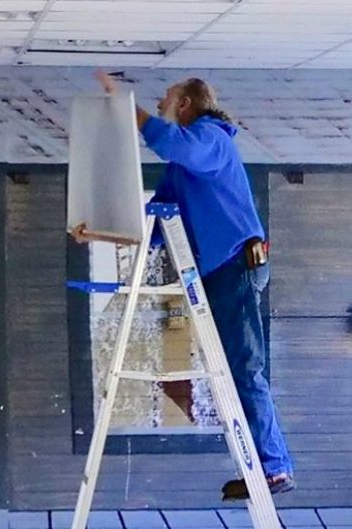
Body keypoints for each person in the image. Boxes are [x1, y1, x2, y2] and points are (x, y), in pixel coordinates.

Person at [95, 72, 294, 500]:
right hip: (221, 270)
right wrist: (95, 233)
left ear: (185, 104)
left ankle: (275, 467)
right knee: (233, 372)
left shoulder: (210, 138)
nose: (162, 103)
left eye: (167, 98)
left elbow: (171, 142)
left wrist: (130, 110)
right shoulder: (183, 167)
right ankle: (261, 464)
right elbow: (149, 222)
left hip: (235, 266)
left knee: (245, 369)